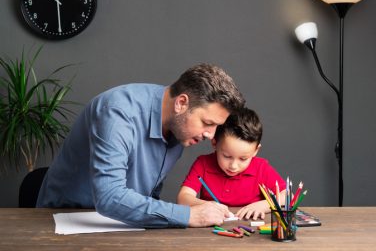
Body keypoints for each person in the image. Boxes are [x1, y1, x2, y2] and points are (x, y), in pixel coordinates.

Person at [36, 63, 245, 228]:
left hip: (122, 224)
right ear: (181, 103)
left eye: (216, 126)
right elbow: (110, 197)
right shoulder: (117, 112)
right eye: (207, 123)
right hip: (65, 221)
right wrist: (188, 215)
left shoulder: (181, 128)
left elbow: (149, 195)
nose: (210, 135)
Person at [177, 107, 286, 220]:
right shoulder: (203, 164)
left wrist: (265, 205)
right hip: (211, 231)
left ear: (255, 151)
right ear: (214, 143)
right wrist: (207, 205)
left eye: (243, 159)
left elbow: (287, 196)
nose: (233, 166)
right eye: (227, 156)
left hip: (251, 230)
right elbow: (183, 198)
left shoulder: (261, 168)